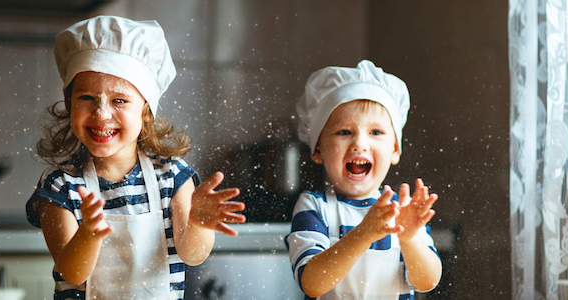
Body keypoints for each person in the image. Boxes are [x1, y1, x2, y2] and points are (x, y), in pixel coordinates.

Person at [25, 15, 246, 300]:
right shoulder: (60, 186)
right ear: (69, 104)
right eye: (87, 98)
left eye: (119, 100)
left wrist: (196, 224)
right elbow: (72, 273)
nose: (101, 113)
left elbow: (192, 256)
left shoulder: (172, 177)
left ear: (145, 110)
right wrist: (89, 234)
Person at [285, 60, 442, 299]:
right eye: (344, 132)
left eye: (376, 132)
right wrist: (363, 234)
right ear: (318, 150)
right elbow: (312, 283)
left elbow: (426, 282)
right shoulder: (315, 207)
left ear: (395, 150)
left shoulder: (402, 212)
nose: (359, 143)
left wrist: (409, 239)